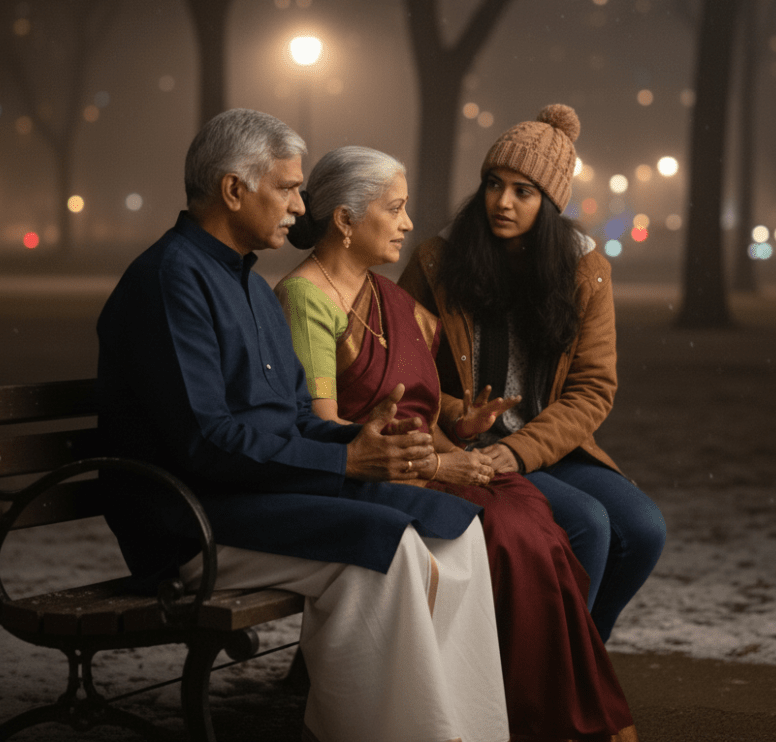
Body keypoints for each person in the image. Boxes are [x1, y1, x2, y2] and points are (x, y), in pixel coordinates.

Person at [96, 110, 509, 742]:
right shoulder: (169, 281)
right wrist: (345, 463)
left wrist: (358, 440)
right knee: (391, 546)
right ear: (234, 191)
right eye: (287, 188)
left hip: (261, 492)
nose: (300, 202)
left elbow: (290, 419)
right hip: (192, 521)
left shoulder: (253, 287)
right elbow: (202, 441)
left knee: (458, 530)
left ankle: (469, 730)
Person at [275, 145, 638, 742]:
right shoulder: (317, 296)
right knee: (539, 526)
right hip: (388, 467)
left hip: (472, 449)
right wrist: (450, 454)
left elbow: (418, 390)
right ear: (345, 220)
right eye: (395, 209)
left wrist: (459, 421)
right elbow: (331, 425)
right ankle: (534, 698)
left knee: (560, 522)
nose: (410, 222)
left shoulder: (381, 295)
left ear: (550, 204)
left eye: (524, 191)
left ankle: (548, 690)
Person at [398, 104, 666, 643]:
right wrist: (460, 418)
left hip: (548, 446)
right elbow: (404, 371)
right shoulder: (438, 262)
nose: (502, 202)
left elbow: (593, 389)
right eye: (494, 184)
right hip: (464, 447)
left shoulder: (583, 271)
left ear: (550, 203)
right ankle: (545, 678)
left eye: (524, 191)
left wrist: (519, 451)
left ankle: (577, 660)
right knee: (587, 523)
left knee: (642, 530)